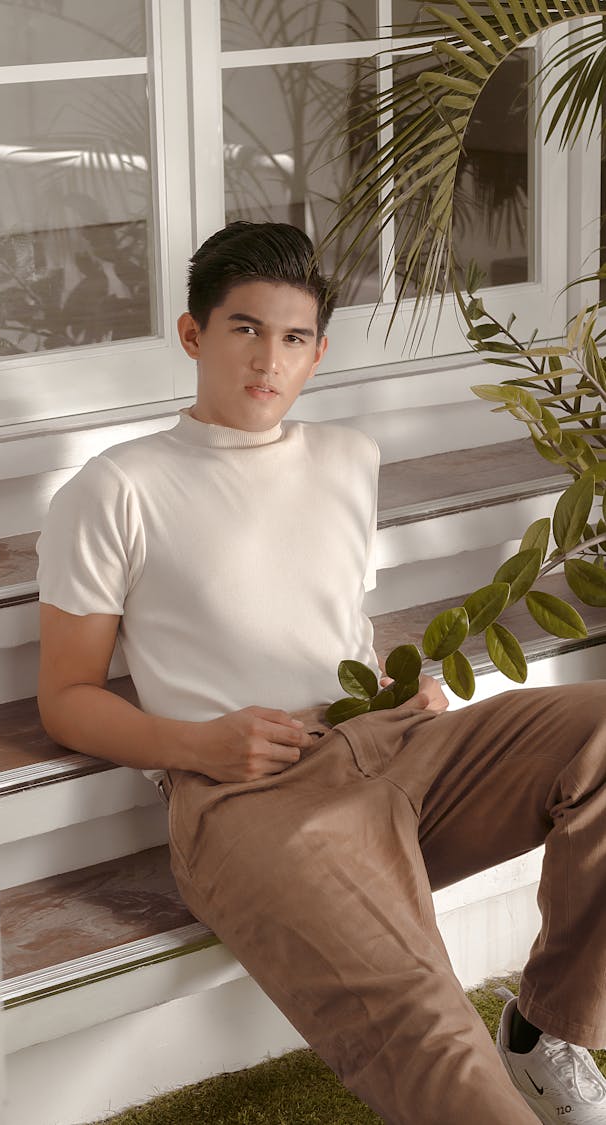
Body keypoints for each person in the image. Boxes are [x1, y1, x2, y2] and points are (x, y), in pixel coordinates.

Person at [36, 221, 606, 1125]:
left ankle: (543, 1034)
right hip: (248, 801)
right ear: (195, 335)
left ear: (317, 352)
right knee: (429, 1018)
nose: (269, 359)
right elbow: (64, 697)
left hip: (396, 748)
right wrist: (198, 744)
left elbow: (332, 621)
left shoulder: (346, 459)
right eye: (246, 329)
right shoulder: (116, 490)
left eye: (294, 338)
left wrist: (392, 684)